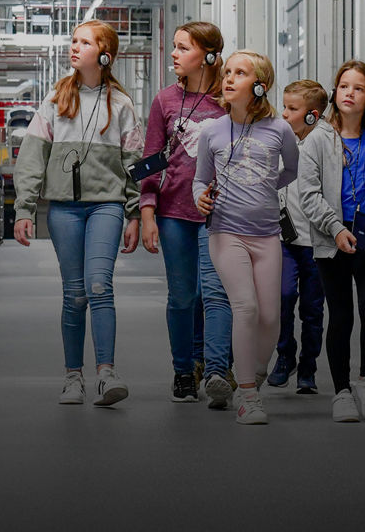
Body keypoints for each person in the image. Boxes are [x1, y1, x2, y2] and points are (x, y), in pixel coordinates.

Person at [12, 20, 142, 407]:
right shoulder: (56, 100)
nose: (74, 47)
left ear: (105, 54)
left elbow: (134, 162)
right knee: (75, 295)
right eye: (73, 41)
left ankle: (107, 372)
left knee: (100, 285)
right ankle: (73, 377)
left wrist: (135, 213)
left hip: (107, 206)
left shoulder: (120, 104)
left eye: (84, 42)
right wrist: (25, 207)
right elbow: (32, 157)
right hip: (64, 210)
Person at [193, 51, 300, 425]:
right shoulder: (212, 131)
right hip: (226, 232)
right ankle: (249, 396)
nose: (229, 78)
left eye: (240, 73)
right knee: (246, 308)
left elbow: (290, 169)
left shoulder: (280, 129)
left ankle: (248, 374)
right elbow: (199, 179)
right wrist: (200, 197)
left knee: (271, 317)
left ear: (260, 85)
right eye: (227, 72)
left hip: (267, 234)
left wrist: (265, 189)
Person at [298, 60, 365, 423]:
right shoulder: (317, 139)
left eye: (358, 88)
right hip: (332, 240)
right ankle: (341, 391)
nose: (349, 93)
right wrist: (335, 228)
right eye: (344, 86)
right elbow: (309, 195)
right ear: (335, 91)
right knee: (341, 315)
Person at [137, 21, 235, 407]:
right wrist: (147, 212)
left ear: (208, 56)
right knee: (182, 297)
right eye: (174, 47)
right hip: (174, 212)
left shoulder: (229, 101)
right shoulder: (164, 100)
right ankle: (183, 370)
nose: (174, 55)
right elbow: (150, 160)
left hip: (220, 214)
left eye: (182, 48)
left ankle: (215, 368)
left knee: (214, 294)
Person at [266, 80, 329, 393]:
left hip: (316, 244)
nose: (285, 113)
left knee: (313, 310)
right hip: (285, 240)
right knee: (282, 296)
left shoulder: (325, 145)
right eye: (285, 106)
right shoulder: (279, 142)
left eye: (293, 109)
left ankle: (308, 367)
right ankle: (285, 354)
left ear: (311, 115)